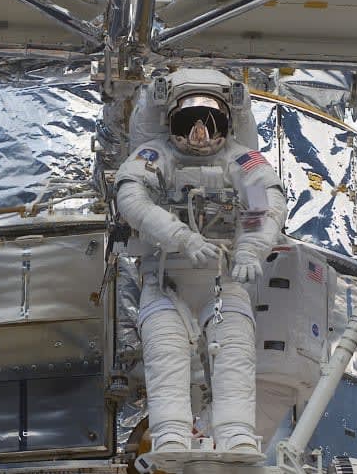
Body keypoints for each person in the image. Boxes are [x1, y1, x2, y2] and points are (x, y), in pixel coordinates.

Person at [114, 69, 287, 455]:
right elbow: (131, 196)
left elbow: (265, 203)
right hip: (166, 279)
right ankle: (171, 435)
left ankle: (238, 434)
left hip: (223, 280)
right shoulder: (156, 154)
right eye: (189, 122)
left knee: (234, 353)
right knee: (167, 355)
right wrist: (180, 237)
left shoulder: (240, 160)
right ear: (170, 120)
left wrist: (249, 250)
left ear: (227, 124)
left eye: (210, 123)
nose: (200, 134)